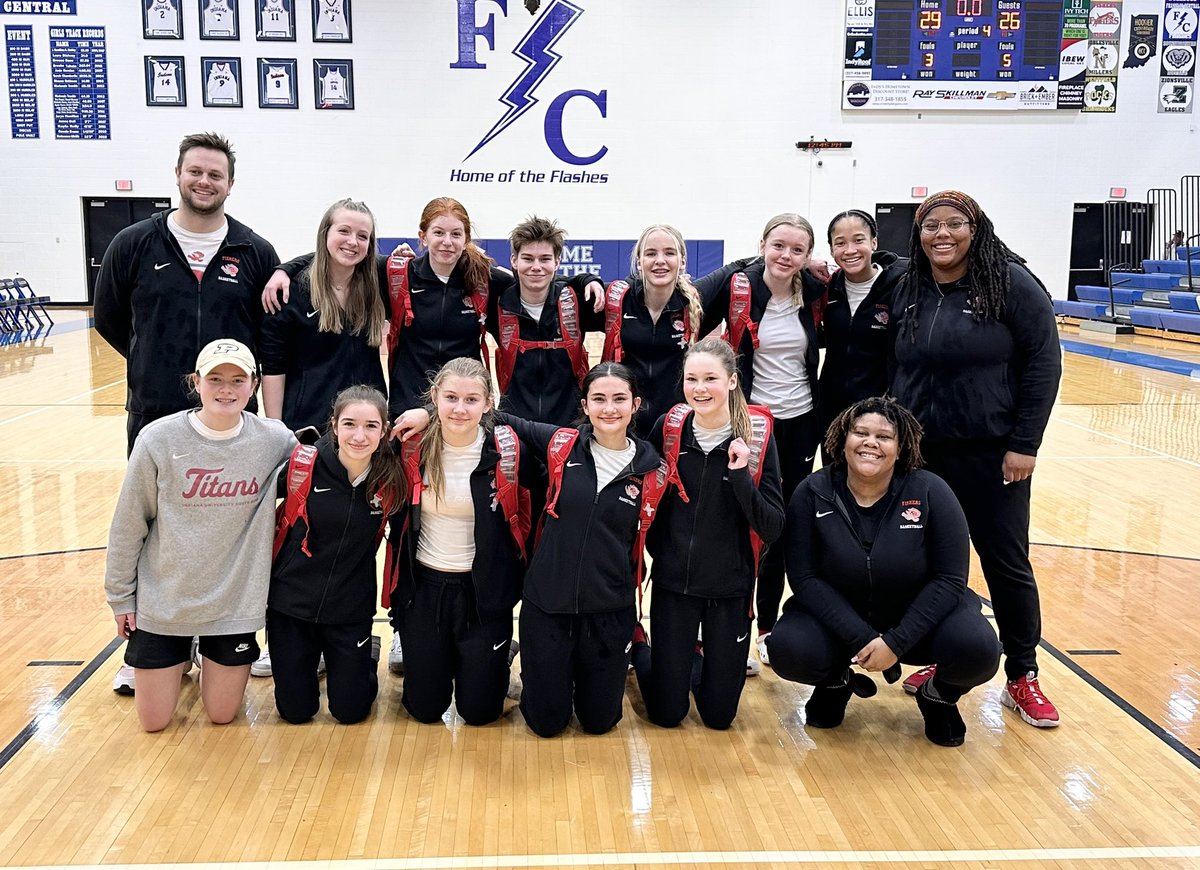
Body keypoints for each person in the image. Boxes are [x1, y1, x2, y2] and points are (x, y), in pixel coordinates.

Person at [94, 131, 280, 696]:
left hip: (231, 419)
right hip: (156, 412)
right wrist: (156, 367)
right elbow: (110, 319)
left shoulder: (255, 251)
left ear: (230, 183)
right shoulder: (133, 243)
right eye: (195, 172)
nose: (204, 182)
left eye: (215, 175)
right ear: (178, 174)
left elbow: (269, 336)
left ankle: (219, 635)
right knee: (156, 526)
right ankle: (151, 642)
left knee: (225, 528)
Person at [890, 190, 1062, 728]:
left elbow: (1044, 364)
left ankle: (1022, 675)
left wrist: (1025, 443)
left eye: (954, 224)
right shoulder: (908, 285)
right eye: (930, 226)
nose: (942, 234)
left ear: (975, 227)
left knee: (1005, 564)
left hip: (992, 455)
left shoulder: (1011, 283)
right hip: (919, 455)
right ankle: (942, 656)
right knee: (929, 564)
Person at [768, 397, 1000, 747]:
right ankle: (835, 682)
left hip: (918, 619)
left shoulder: (931, 492)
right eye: (860, 432)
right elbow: (804, 578)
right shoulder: (812, 492)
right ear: (841, 440)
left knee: (980, 649)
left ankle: (937, 695)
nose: (871, 443)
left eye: (884, 436)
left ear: (901, 445)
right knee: (788, 648)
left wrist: (896, 642)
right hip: (841, 621)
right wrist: (862, 638)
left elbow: (950, 579)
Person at [104, 340, 296, 732]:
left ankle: (201, 653)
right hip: (166, 600)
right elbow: (128, 523)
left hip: (233, 602)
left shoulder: (275, 441)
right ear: (197, 382)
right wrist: (120, 597)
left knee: (221, 716)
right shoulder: (159, 439)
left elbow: (328, 462)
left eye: (237, 379)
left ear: (254, 385)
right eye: (216, 379)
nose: (226, 389)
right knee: (154, 722)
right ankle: (182, 651)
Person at [500, 362, 662, 737]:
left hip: (609, 612)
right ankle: (535, 665)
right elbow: (494, 417)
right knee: (546, 724)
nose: (609, 409)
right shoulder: (562, 443)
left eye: (619, 399)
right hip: (547, 606)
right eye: (599, 399)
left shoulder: (653, 469)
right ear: (585, 405)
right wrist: (427, 415)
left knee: (599, 723)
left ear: (635, 404)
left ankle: (633, 650)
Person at [631, 338, 785, 729]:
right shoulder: (669, 428)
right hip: (673, 587)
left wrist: (740, 477)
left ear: (733, 381)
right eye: (692, 378)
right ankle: (640, 649)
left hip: (729, 591)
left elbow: (772, 525)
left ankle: (694, 661)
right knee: (667, 715)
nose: (700, 388)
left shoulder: (758, 436)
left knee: (719, 718)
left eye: (711, 379)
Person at [693, 214, 824, 671]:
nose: (786, 256)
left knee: (780, 525)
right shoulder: (738, 285)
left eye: (797, 250)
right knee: (739, 520)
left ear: (809, 257)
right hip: (751, 422)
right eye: (778, 246)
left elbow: (873, 269)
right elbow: (686, 303)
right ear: (762, 246)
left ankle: (766, 627)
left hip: (802, 421)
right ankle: (728, 626)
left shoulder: (816, 292)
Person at [383, 358, 534, 726]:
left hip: (484, 595)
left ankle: (495, 656)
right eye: (451, 397)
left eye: (471, 400)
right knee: (424, 710)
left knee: (479, 713)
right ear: (434, 397)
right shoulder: (410, 447)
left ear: (487, 403)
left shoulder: (508, 450)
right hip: (425, 590)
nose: (460, 409)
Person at [268, 385, 406, 725]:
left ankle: (364, 656)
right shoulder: (304, 466)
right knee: (296, 712)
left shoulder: (391, 477)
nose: (359, 435)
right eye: (349, 424)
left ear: (385, 430)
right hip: (291, 606)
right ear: (334, 425)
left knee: (350, 712)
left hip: (350, 608)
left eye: (371, 426)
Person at [259, 199, 388, 432]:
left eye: (362, 236)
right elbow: (273, 370)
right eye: (344, 231)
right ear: (325, 233)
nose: (352, 242)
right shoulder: (290, 292)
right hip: (308, 427)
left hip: (364, 428)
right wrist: (277, 431)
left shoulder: (378, 283)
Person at [494, 215, 605, 427]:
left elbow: (638, 292)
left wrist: (589, 279)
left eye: (545, 259)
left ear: (557, 262)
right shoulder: (497, 303)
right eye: (528, 258)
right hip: (515, 428)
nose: (536, 266)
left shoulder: (579, 301)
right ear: (513, 261)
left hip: (571, 427)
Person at [600, 225, 703, 439]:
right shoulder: (618, 299)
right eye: (650, 253)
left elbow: (737, 270)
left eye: (669, 253)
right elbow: (561, 286)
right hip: (623, 426)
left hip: (676, 427)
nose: (660, 260)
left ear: (682, 261)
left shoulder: (696, 301)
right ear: (639, 262)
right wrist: (586, 280)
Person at [818, 209, 907, 446]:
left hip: (881, 414)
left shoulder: (899, 287)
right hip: (832, 412)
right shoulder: (828, 288)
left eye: (859, 240)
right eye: (840, 243)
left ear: (874, 242)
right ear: (831, 249)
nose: (850, 250)